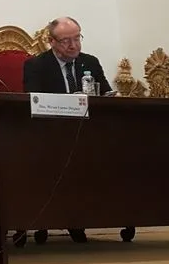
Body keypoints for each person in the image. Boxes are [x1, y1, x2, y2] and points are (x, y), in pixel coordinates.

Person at [17, 16, 112, 247]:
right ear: (51, 42)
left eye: (77, 38)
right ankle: (50, 218)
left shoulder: (90, 62)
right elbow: (33, 101)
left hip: (87, 132)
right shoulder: (36, 65)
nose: (73, 46)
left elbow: (106, 94)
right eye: (66, 41)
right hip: (50, 134)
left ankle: (84, 217)